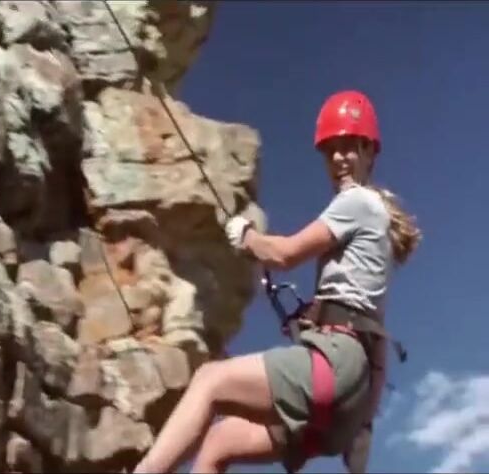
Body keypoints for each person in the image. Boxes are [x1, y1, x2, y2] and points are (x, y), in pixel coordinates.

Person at [132, 90, 422, 474]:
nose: (338, 159)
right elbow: (375, 336)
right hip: (350, 395)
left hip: (337, 366)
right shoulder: (376, 223)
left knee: (210, 380)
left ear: (369, 151)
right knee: (219, 442)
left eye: (348, 147)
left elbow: (284, 254)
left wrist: (247, 236)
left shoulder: (357, 202)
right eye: (330, 151)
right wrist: (361, 420)